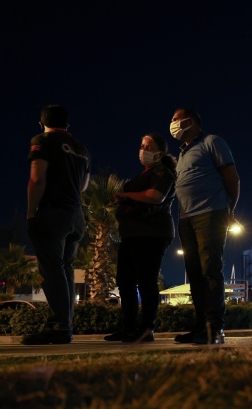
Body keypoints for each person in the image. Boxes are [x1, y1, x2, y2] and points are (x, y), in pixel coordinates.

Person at [169, 107, 240, 345]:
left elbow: (232, 177)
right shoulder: (182, 152)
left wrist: (229, 209)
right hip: (186, 219)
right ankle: (200, 326)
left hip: (210, 214)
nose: (173, 123)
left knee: (210, 269)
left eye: (177, 119)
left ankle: (214, 327)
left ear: (192, 121)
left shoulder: (212, 142)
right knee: (195, 274)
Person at [22, 105, 91, 345]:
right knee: (66, 269)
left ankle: (61, 327)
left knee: (51, 269)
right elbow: (83, 186)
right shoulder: (82, 149)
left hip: (52, 212)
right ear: (68, 125)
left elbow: (37, 178)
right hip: (76, 215)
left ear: (41, 123)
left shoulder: (42, 140)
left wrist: (31, 213)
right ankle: (59, 322)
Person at [104, 133, 176, 342]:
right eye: (142, 145)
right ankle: (129, 327)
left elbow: (156, 196)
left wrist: (125, 195)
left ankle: (146, 328)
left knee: (146, 280)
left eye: (148, 146)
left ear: (159, 153)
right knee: (125, 281)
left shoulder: (162, 172)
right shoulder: (142, 175)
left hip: (151, 233)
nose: (143, 149)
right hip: (131, 235)